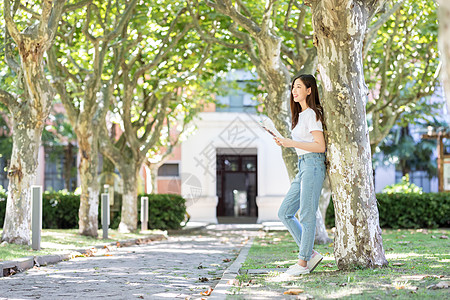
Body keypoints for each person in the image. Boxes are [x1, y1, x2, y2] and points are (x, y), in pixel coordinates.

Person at [275, 74, 326, 276]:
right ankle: (310, 254)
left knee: (306, 213)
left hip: (313, 165)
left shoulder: (312, 113)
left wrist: (291, 143)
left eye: (298, 86)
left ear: (309, 90)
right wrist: (285, 141)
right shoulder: (301, 115)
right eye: (293, 87)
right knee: (284, 212)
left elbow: (320, 146)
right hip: (303, 165)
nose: (294, 90)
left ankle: (303, 263)